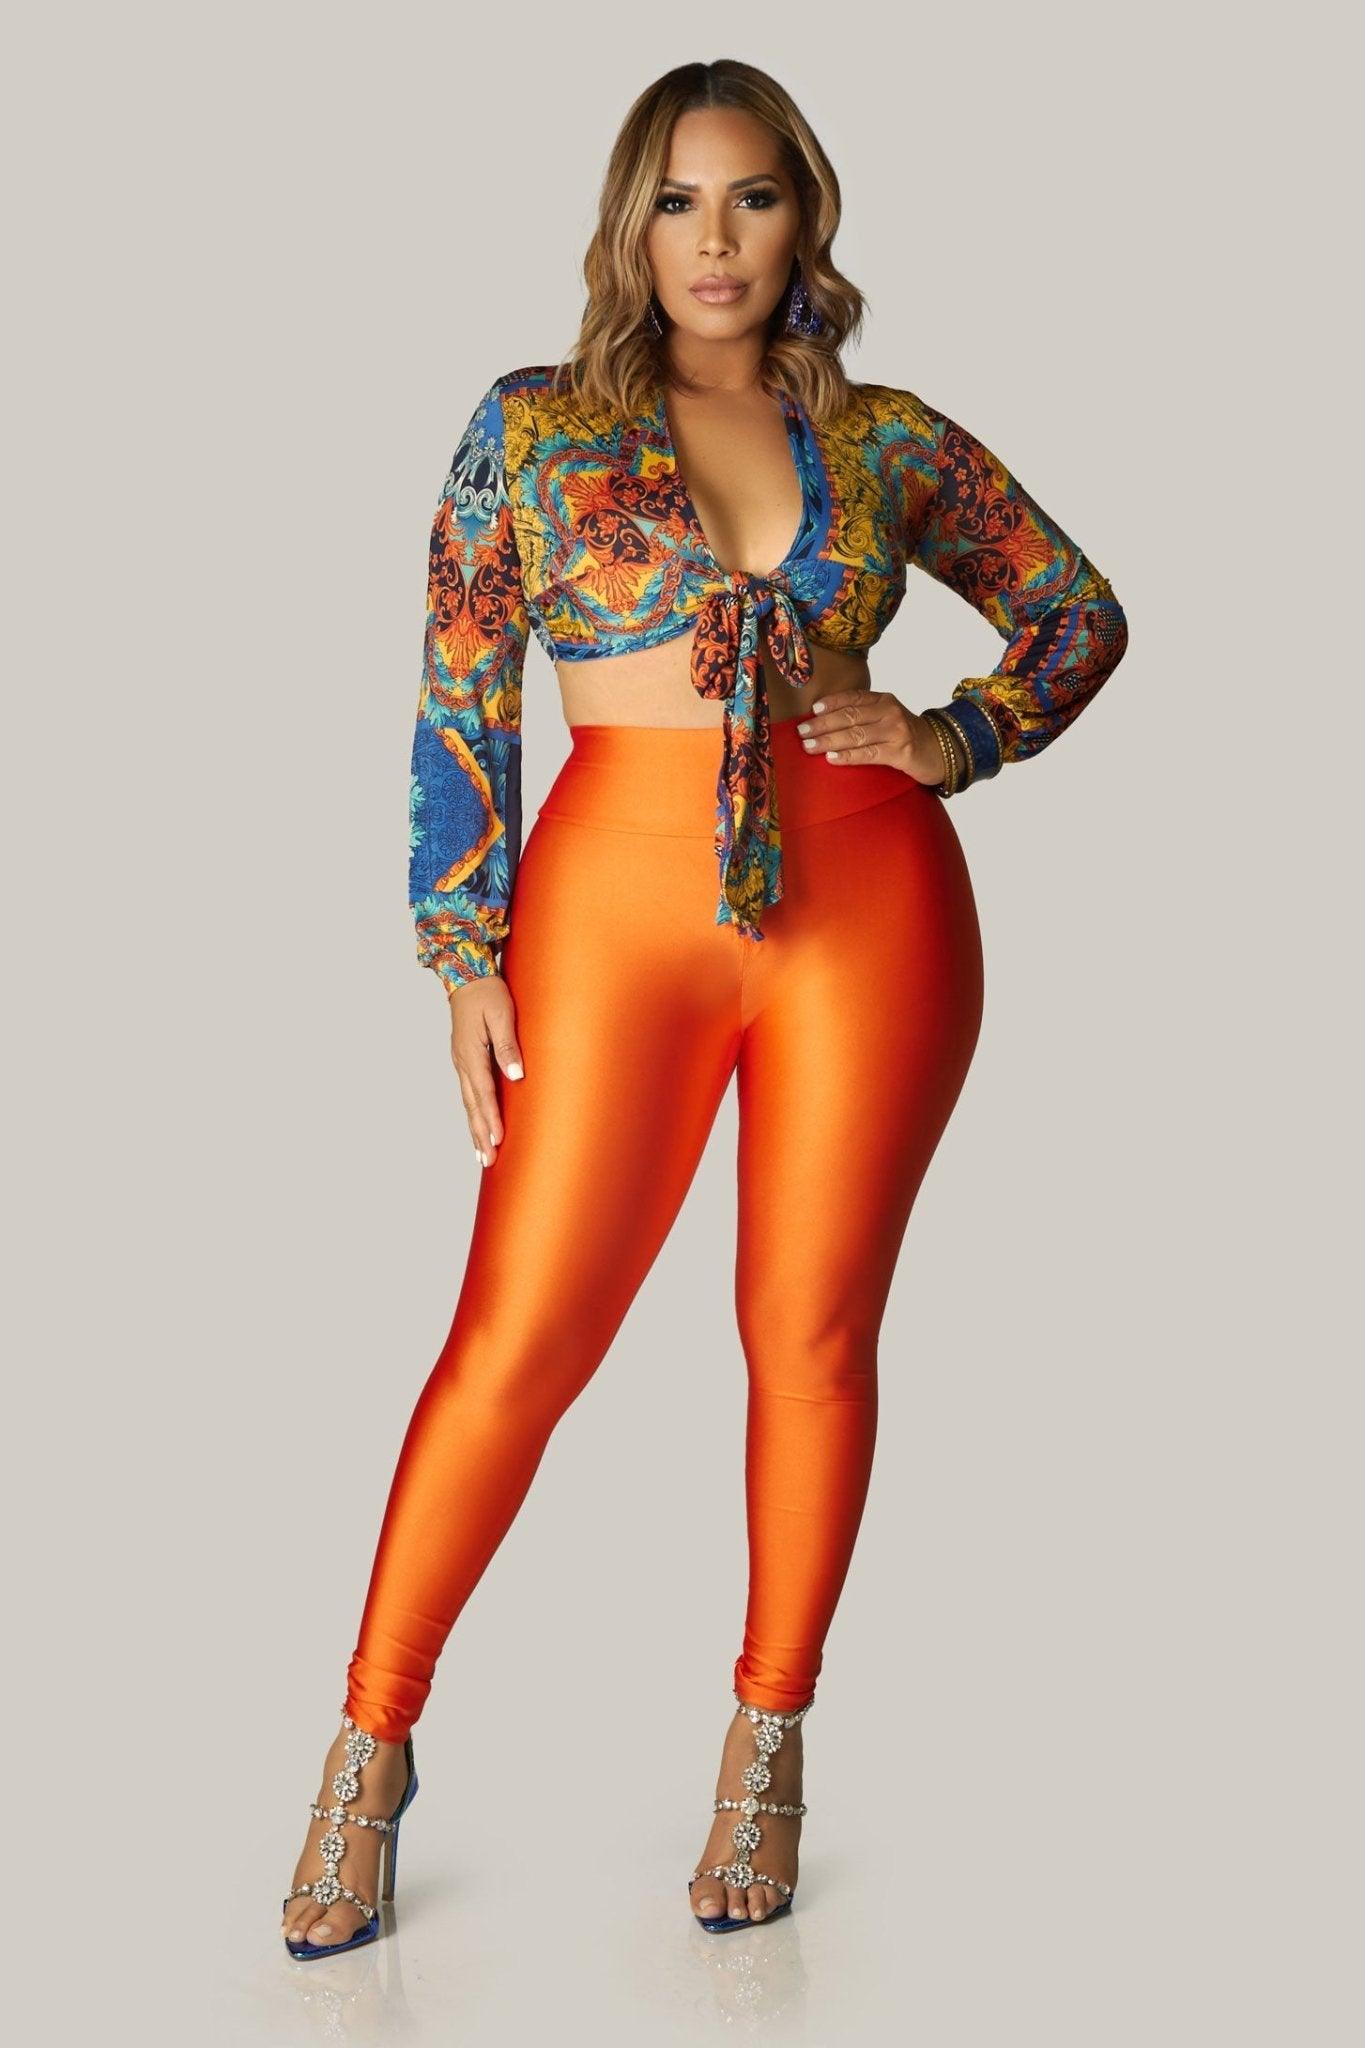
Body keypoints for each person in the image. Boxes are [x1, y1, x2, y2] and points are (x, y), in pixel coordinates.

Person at [281, 56, 1129, 1957]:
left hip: (869, 907)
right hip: (610, 916)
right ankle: (368, 1747)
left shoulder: (889, 437)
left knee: (808, 1336)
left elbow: (1076, 610)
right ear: (629, 225)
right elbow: (459, 687)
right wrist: (460, 951)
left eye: (751, 196)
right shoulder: (533, 425)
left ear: (802, 216)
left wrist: (947, 736)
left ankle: (765, 1746)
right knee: (518, 1334)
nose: (715, 238)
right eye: (677, 200)